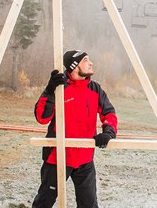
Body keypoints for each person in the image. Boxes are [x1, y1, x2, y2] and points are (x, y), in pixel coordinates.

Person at [32, 49, 118, 208]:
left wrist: (108, 132)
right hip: (56, 157)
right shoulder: (59, 87)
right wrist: (49, 91)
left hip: (85, 159)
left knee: (89, 205)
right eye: (85, 60)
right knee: (43, 203)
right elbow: (41, 118)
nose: (91, 63)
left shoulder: (95, 89)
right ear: (74, 66)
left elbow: (109, 113)